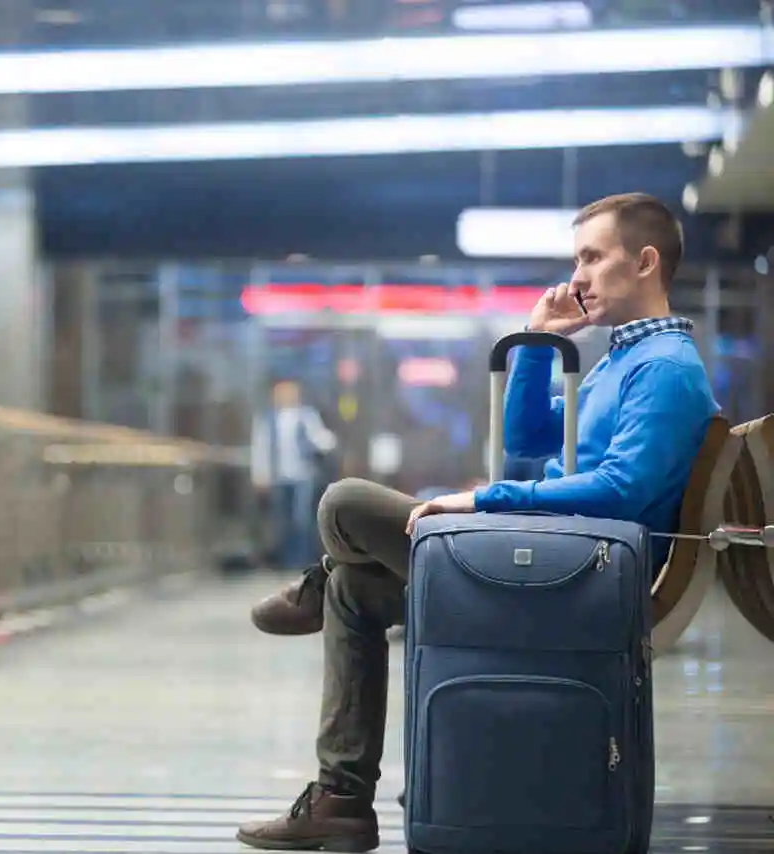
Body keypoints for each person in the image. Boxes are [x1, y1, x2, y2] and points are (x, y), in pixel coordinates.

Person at [237, 192, 719, 853]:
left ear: (644, 262)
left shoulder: (664, 369)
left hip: (578, 581)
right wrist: (540, 342)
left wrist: (487, 501)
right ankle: (341, 801)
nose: (576, 277)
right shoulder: (621, 362)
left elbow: (622, 490)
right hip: (559, 562)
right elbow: (527, 437)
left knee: (344, 504)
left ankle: (316, 584)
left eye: (591, 257)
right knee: (359, 590)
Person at [251, 379, 339, 570]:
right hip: (279, 476)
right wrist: (260, 474)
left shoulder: (306, 416)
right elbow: (261, 449)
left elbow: (319, 438)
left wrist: (329, 443)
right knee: (281, 519)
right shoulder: (267, 419)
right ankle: (285, 559)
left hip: (303, 475)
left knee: (301, 518)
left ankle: (302, 559)